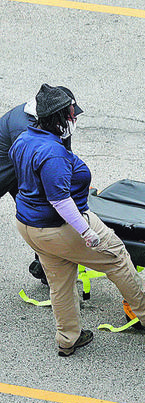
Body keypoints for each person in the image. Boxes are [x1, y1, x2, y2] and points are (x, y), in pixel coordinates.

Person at [10, 84, 145, 357]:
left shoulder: (24, 140)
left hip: (29, 227)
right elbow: (60, 201)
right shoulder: (53, 154)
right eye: (72, 115)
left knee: (60, 281)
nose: (74, 120)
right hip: (60, 227)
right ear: (61, 118)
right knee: (116, 256)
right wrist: (86, 231)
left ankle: (68, 338)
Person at [1, 87, 81, 284]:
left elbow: (64, 152)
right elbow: (41, 174)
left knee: (41, 214)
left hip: (19, 168)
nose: (74, 119)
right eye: (71, 114)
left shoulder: (54, 119)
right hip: (6, 170)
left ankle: (46, 268)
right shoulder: (25, 129)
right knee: (41, 210)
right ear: (58, 113)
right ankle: (49, 266)